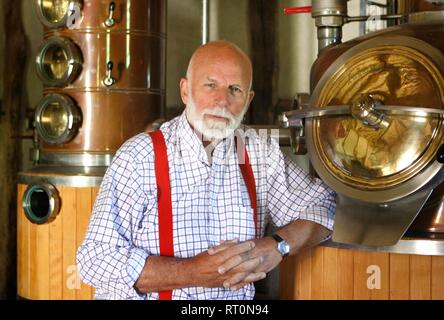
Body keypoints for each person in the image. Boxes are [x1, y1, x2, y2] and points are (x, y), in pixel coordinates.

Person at [76, 40, 336, 300]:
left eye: (235, 89)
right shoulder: (140, 157)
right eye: (210, 85)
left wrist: (277, 245)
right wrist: (193, 272)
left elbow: (324, 206)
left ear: (249, 99)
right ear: (185, 90)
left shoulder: (259, 153)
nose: (222, 101)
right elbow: (96, 260)